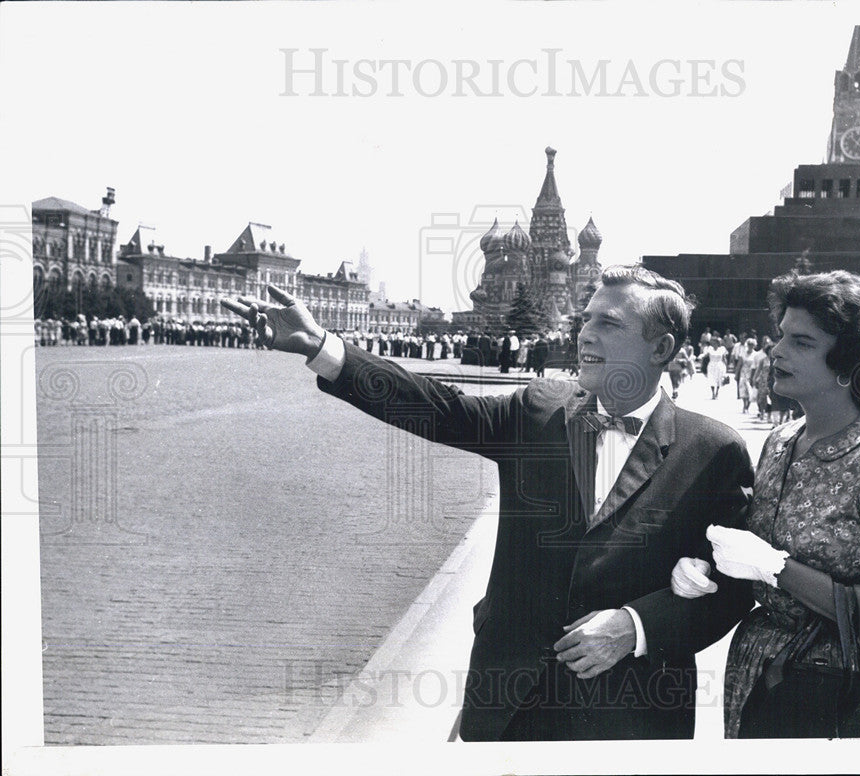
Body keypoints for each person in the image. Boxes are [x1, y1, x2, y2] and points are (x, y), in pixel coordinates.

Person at [223, 264, 753, 741]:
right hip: (508, 704)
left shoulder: (713, 450)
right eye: (587, 318)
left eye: (609, 324)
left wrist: (633, 627)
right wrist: (321, 346)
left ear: (661, 349)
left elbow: (732, 591)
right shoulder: (539, 411)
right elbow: (437, 408)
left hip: (630, 717)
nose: (585, 333)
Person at [670, 270, 860, 738]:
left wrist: (778, 569)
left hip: (842, 694)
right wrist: (706, 565)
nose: (776, 351)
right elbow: (760, 549)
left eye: (801, 342)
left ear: (849, 363)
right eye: (781, 336)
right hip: (761, 675)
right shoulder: (781, 441)